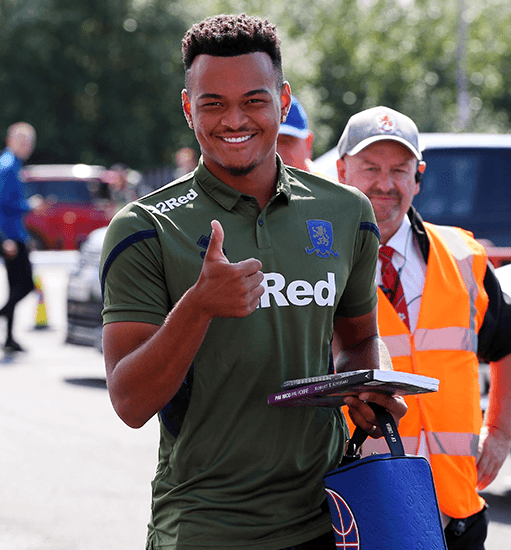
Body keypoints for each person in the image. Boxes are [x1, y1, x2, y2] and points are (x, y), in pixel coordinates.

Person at [99, 14, 406, 550]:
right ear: (188, 106)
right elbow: (129, 402)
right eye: (213, 102)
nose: (234, 119)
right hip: (203, 525)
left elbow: (358, 339)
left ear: (283, 102)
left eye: (254, 101)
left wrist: (366, 386)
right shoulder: (145, 227)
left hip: (328, 519)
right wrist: (198, 307)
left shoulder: (345, 213)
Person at [335, 106, 511, 550]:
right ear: (343, 170)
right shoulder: (318, 264)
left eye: (399, 170)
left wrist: (499, 433)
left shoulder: (463, 254)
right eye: (370, 168)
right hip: (363, 508)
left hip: (455, 511)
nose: (385, 184)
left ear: (418, 177)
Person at [0, 122, 39, 354]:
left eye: (29, 142)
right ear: (10, 140)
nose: (27, 146)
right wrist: (5, 238)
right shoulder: (6, 165)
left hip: (15, 234)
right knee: (26, 286)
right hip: (10, 237)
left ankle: (9, 338)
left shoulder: (12, 164)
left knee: (14, 286)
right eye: (22, 141)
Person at [277, 95, 316, 172]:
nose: (276, 152)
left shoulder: (326, 183)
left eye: (285, 141)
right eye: (267, 143)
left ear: (308, 143)